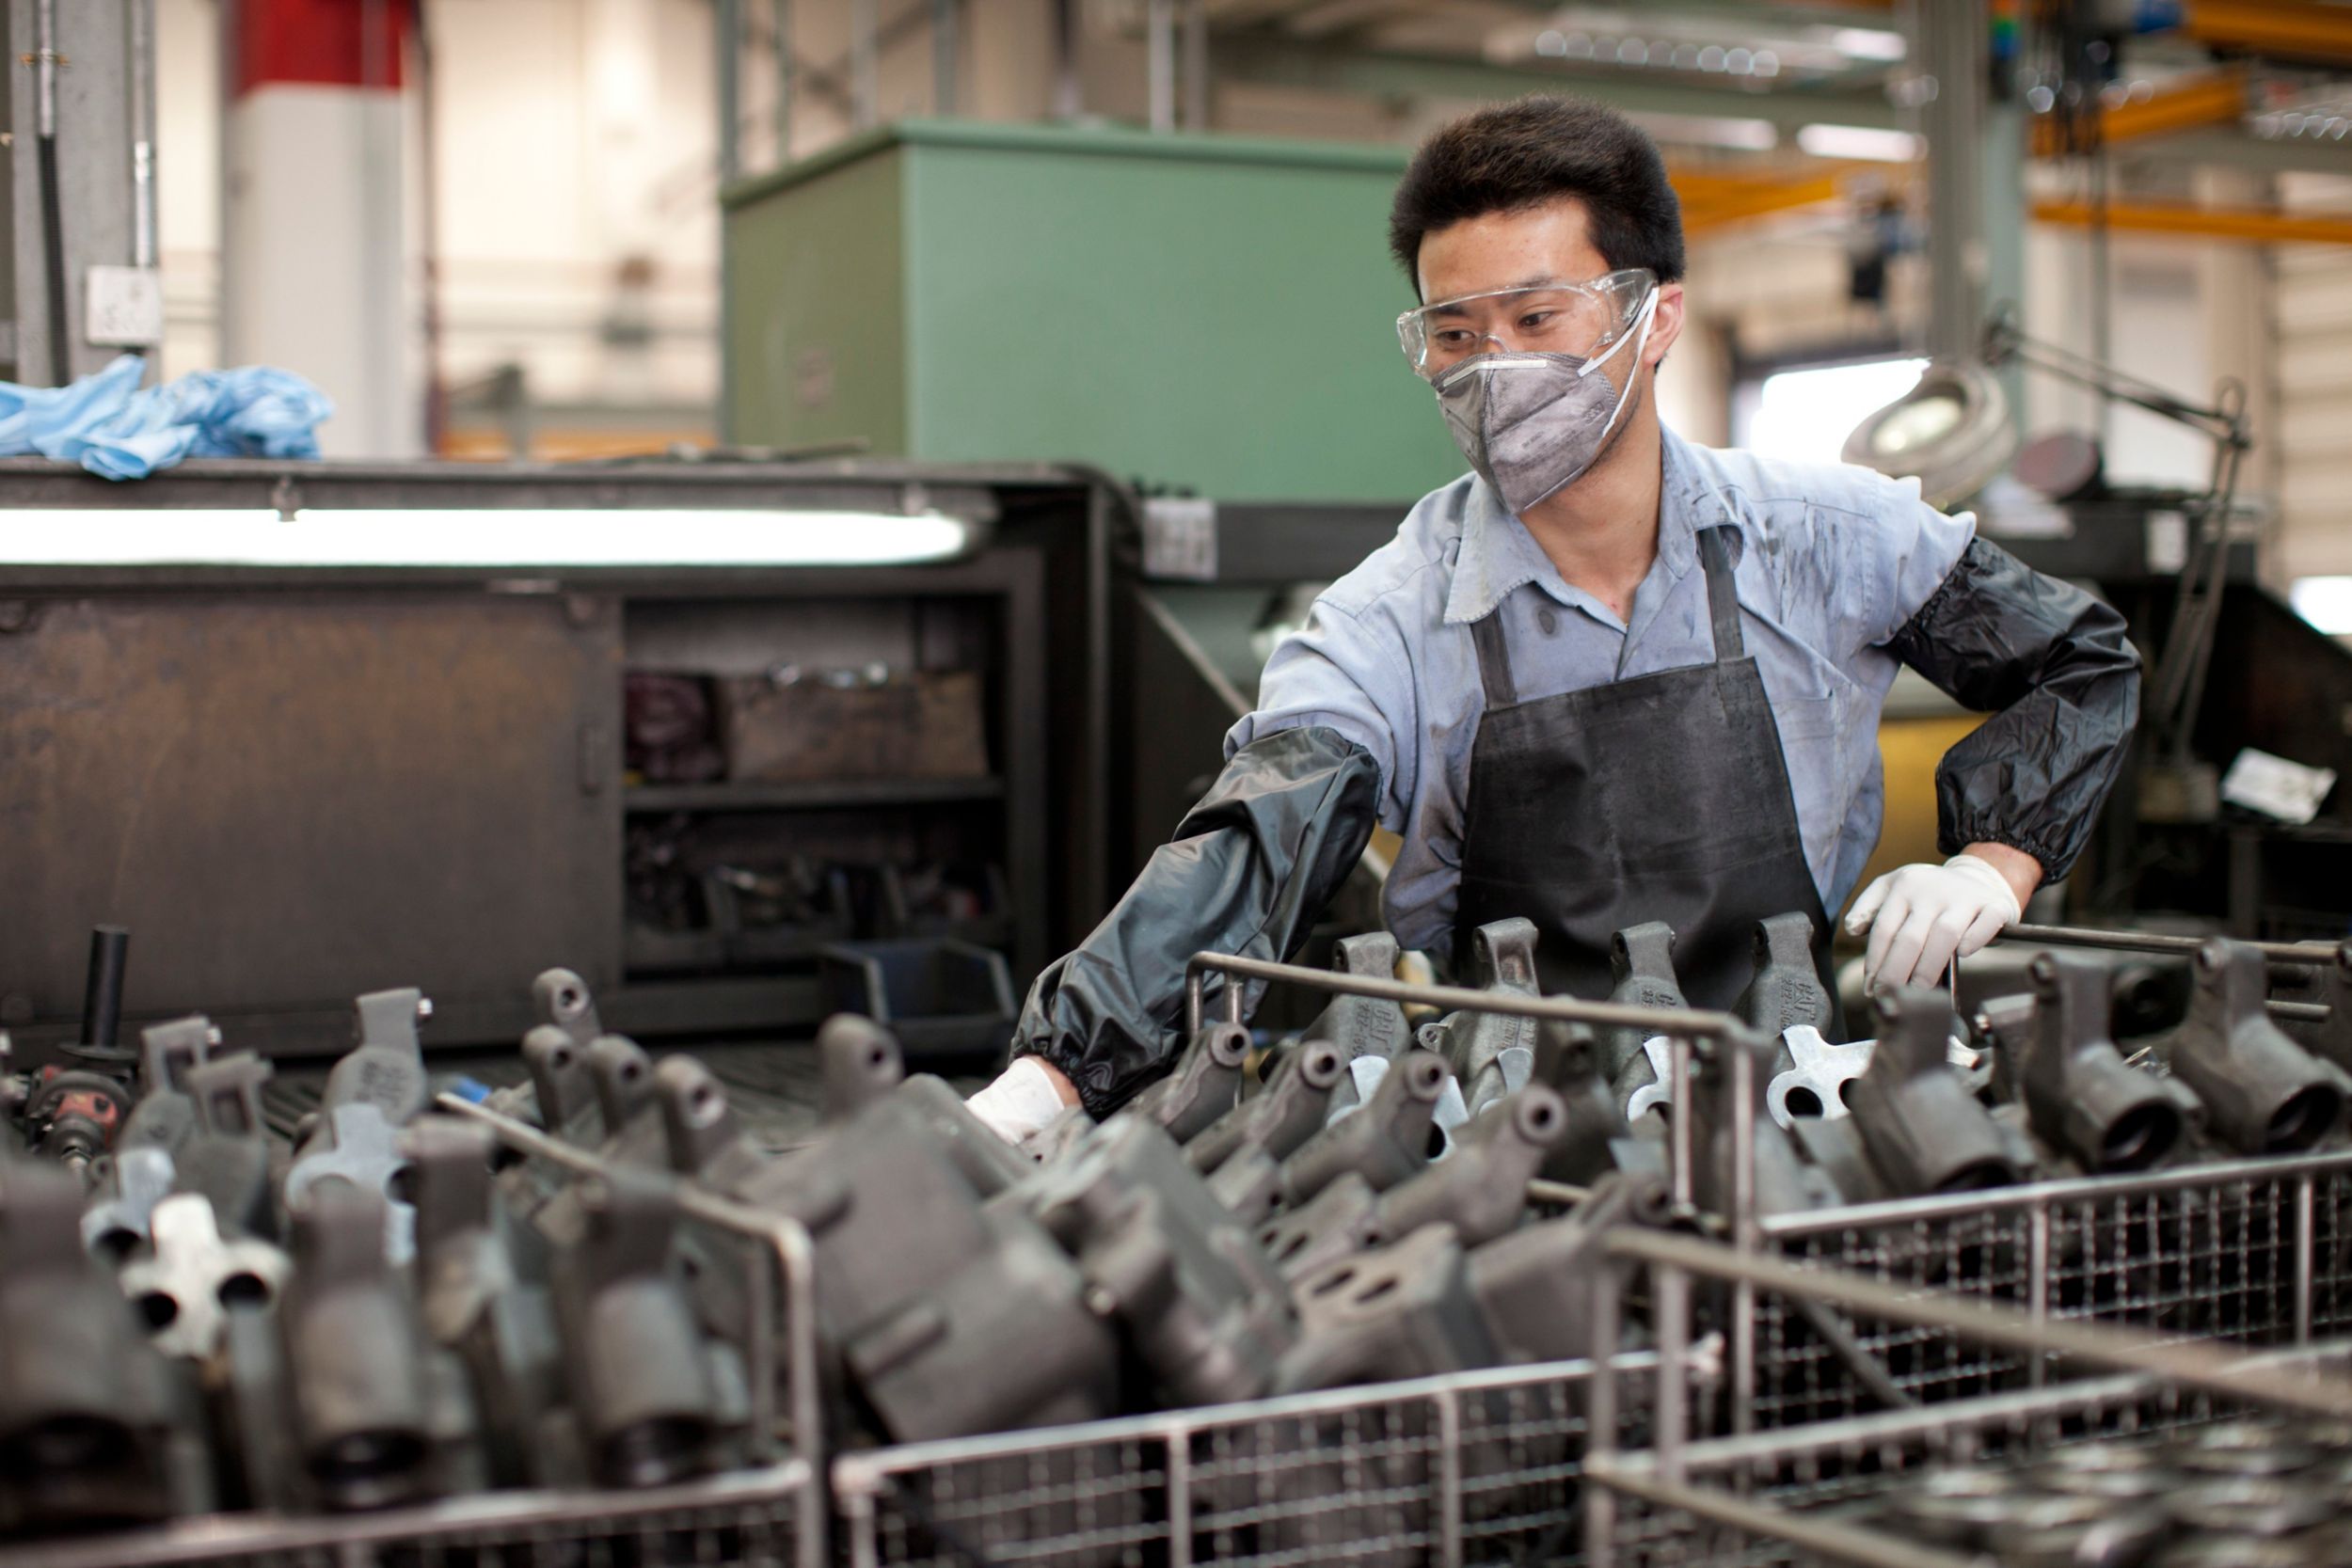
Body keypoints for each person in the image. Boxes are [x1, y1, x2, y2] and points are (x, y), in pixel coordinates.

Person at [969, 95, 2139, 1142]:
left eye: (1536, 318)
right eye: (1456, 332)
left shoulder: (1830, 536)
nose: (1494, 369)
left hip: (1792, 1097)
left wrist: (1996, 862)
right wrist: (1050, 1078)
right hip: (1508, 1127)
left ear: (1657, 315)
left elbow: (2079, 661)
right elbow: (1252, 842)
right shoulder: (1388, 619)